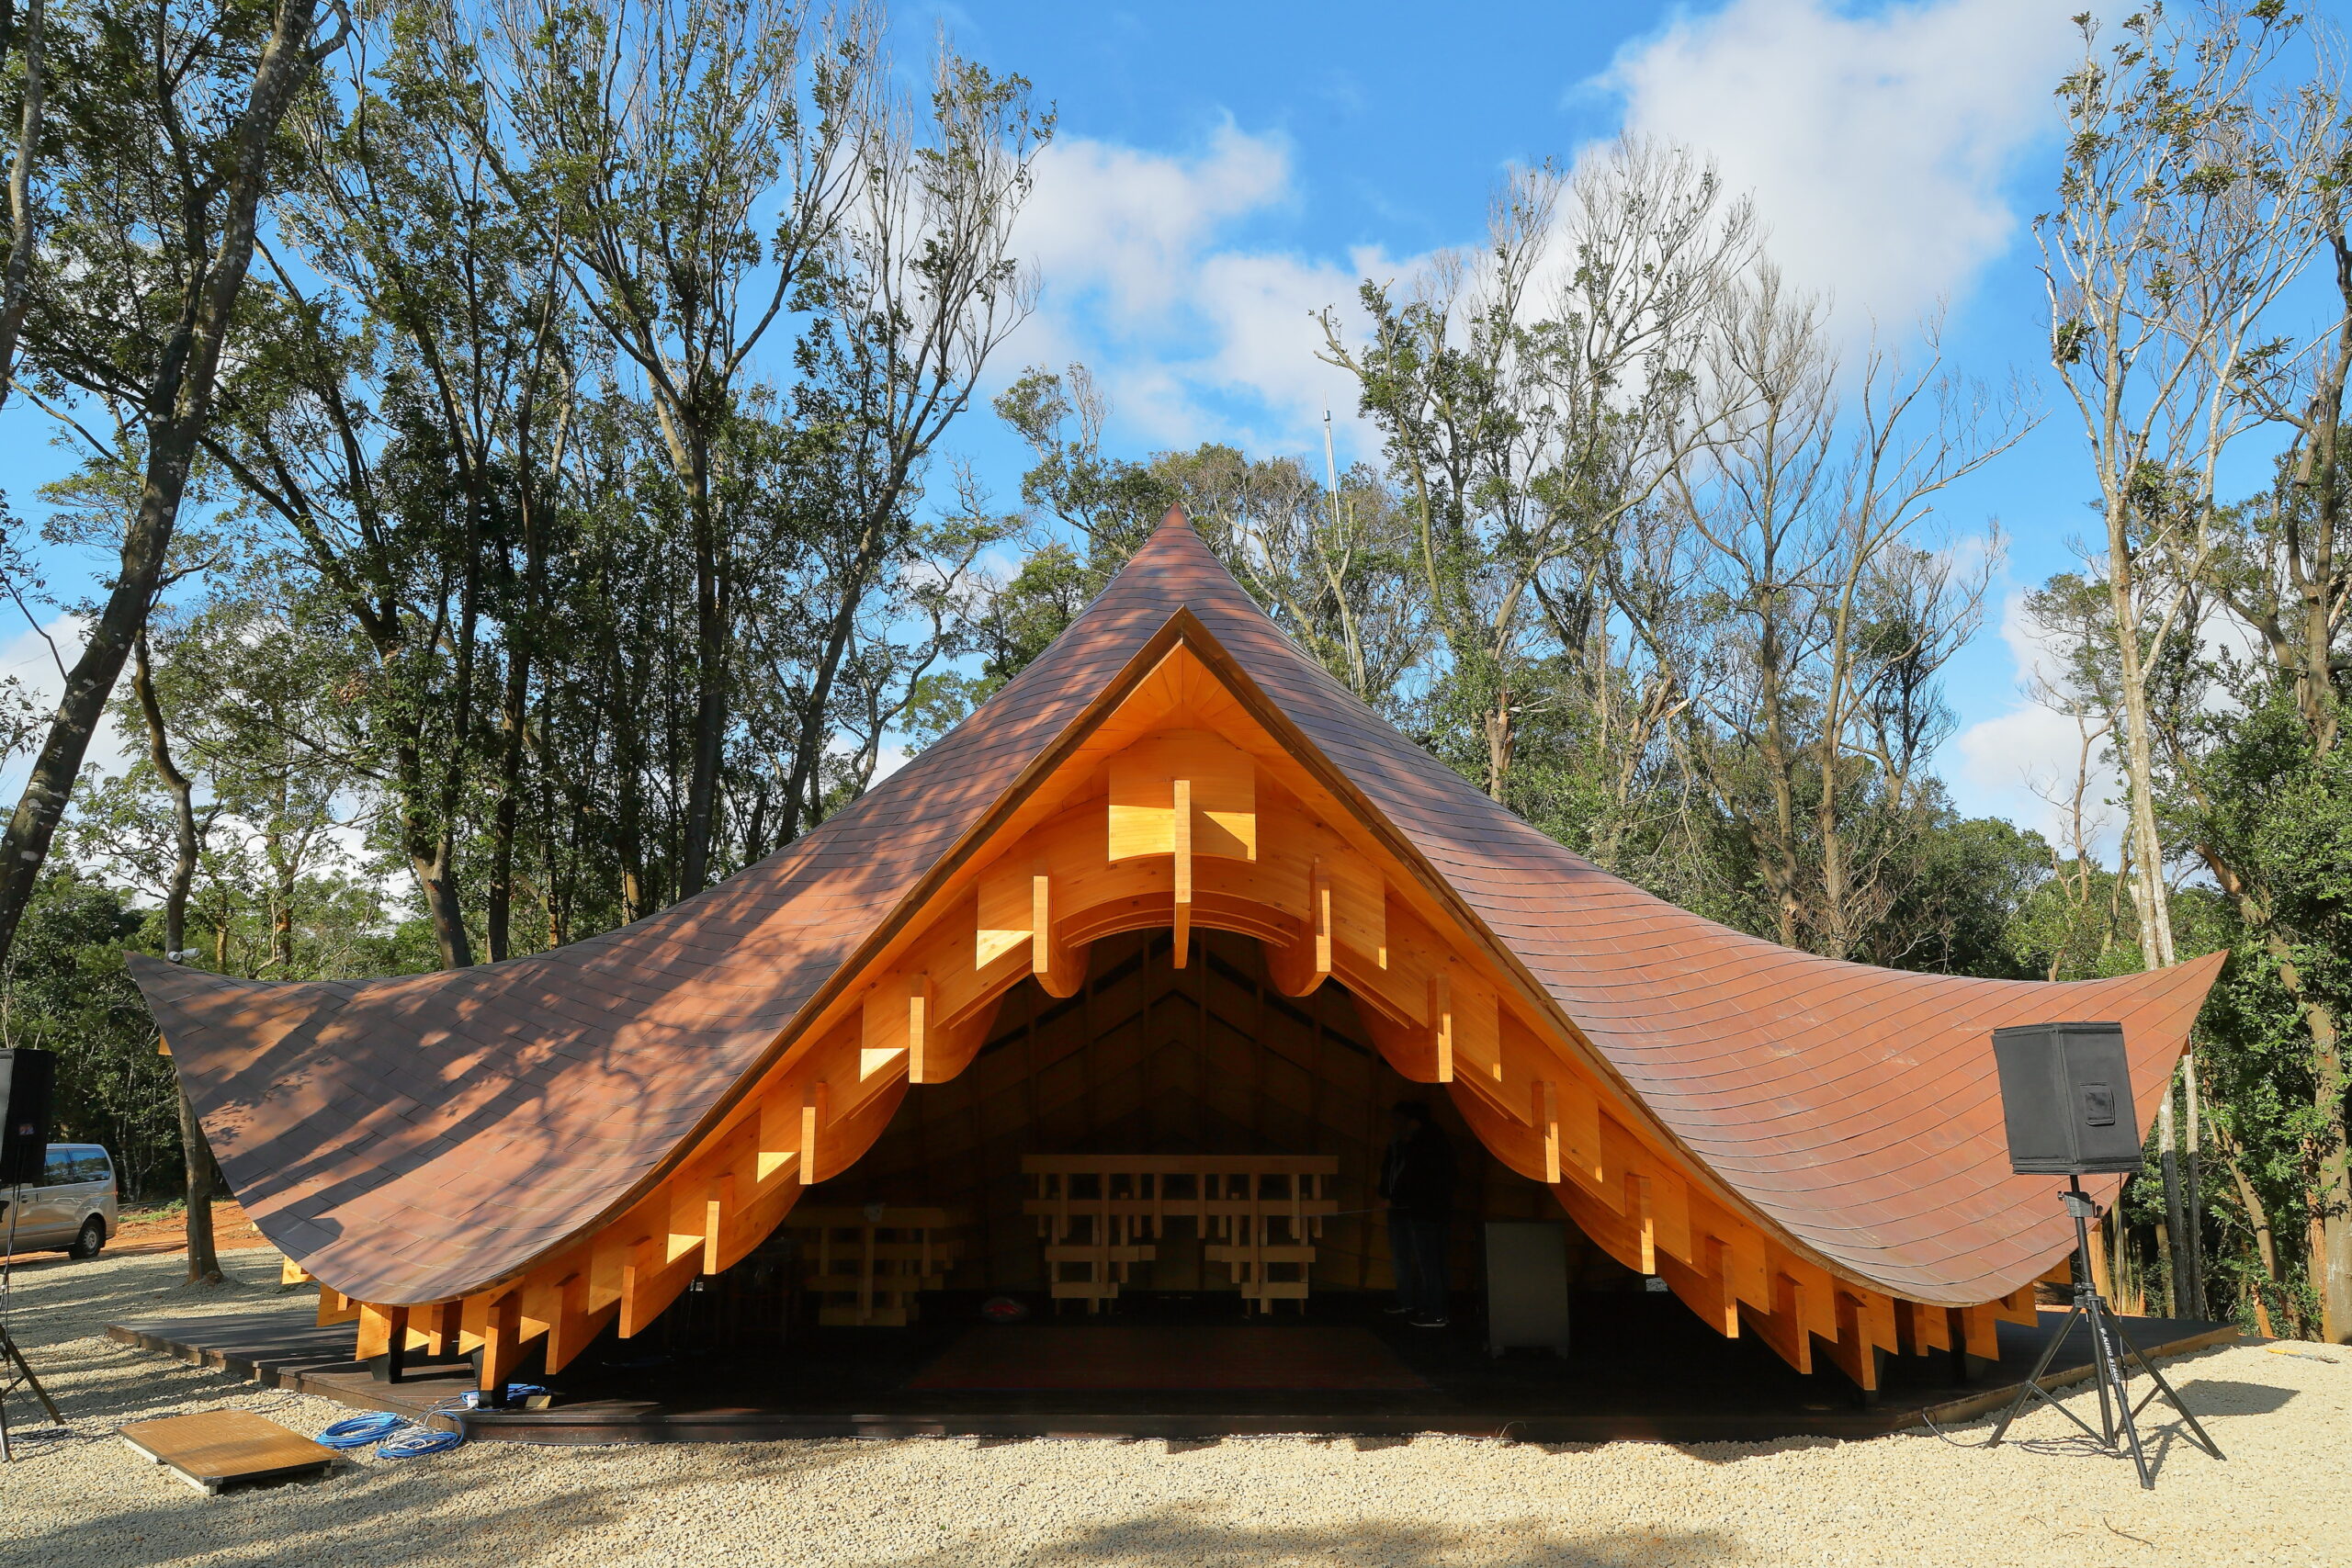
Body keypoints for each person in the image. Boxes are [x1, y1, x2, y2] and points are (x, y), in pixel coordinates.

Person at [1378, 1100, 1456, 1327]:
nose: (1394, 1124)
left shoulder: (1425, 1146)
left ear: (1413, 1122)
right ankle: (1423, 1306)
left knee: (1430, 1262)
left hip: (1425, 1211)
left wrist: (1395, 1199)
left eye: (1399, 1120)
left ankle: (1436, 1312)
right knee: (1429, 1261)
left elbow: (1416, 1179)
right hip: (1418, 1209)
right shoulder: (1407, 1144)